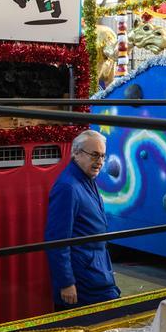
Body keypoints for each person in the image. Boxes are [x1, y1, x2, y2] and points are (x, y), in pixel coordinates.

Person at [45, 129, 120, 308]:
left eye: (102, 156)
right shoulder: (68, 188)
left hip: (96, 273)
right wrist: (66, 282)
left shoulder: (86, 179)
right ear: (76, 153)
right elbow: (56, 240)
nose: (100, 162)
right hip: (83, 281)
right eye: (94, 155)